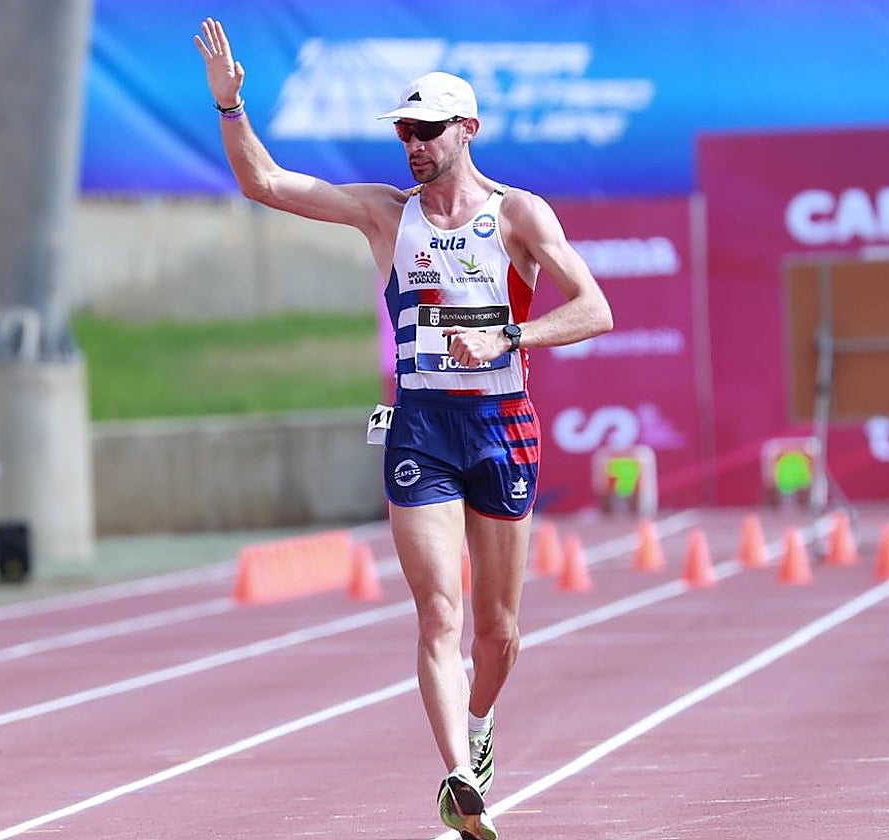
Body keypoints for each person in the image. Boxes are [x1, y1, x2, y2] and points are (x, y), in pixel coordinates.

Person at [196, 19, 612, 839]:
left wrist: (511, 338)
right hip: (420, 426)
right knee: (439, 615)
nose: (412, 145)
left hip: (502, 426)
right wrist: (231, 106)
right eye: (403, 133)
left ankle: (481, 726)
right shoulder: (386, 216)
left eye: (426, 132)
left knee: (499, 633)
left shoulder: (520, 215)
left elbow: (596, 308)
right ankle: (456, 776)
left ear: (468, 131)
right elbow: (267, 184)